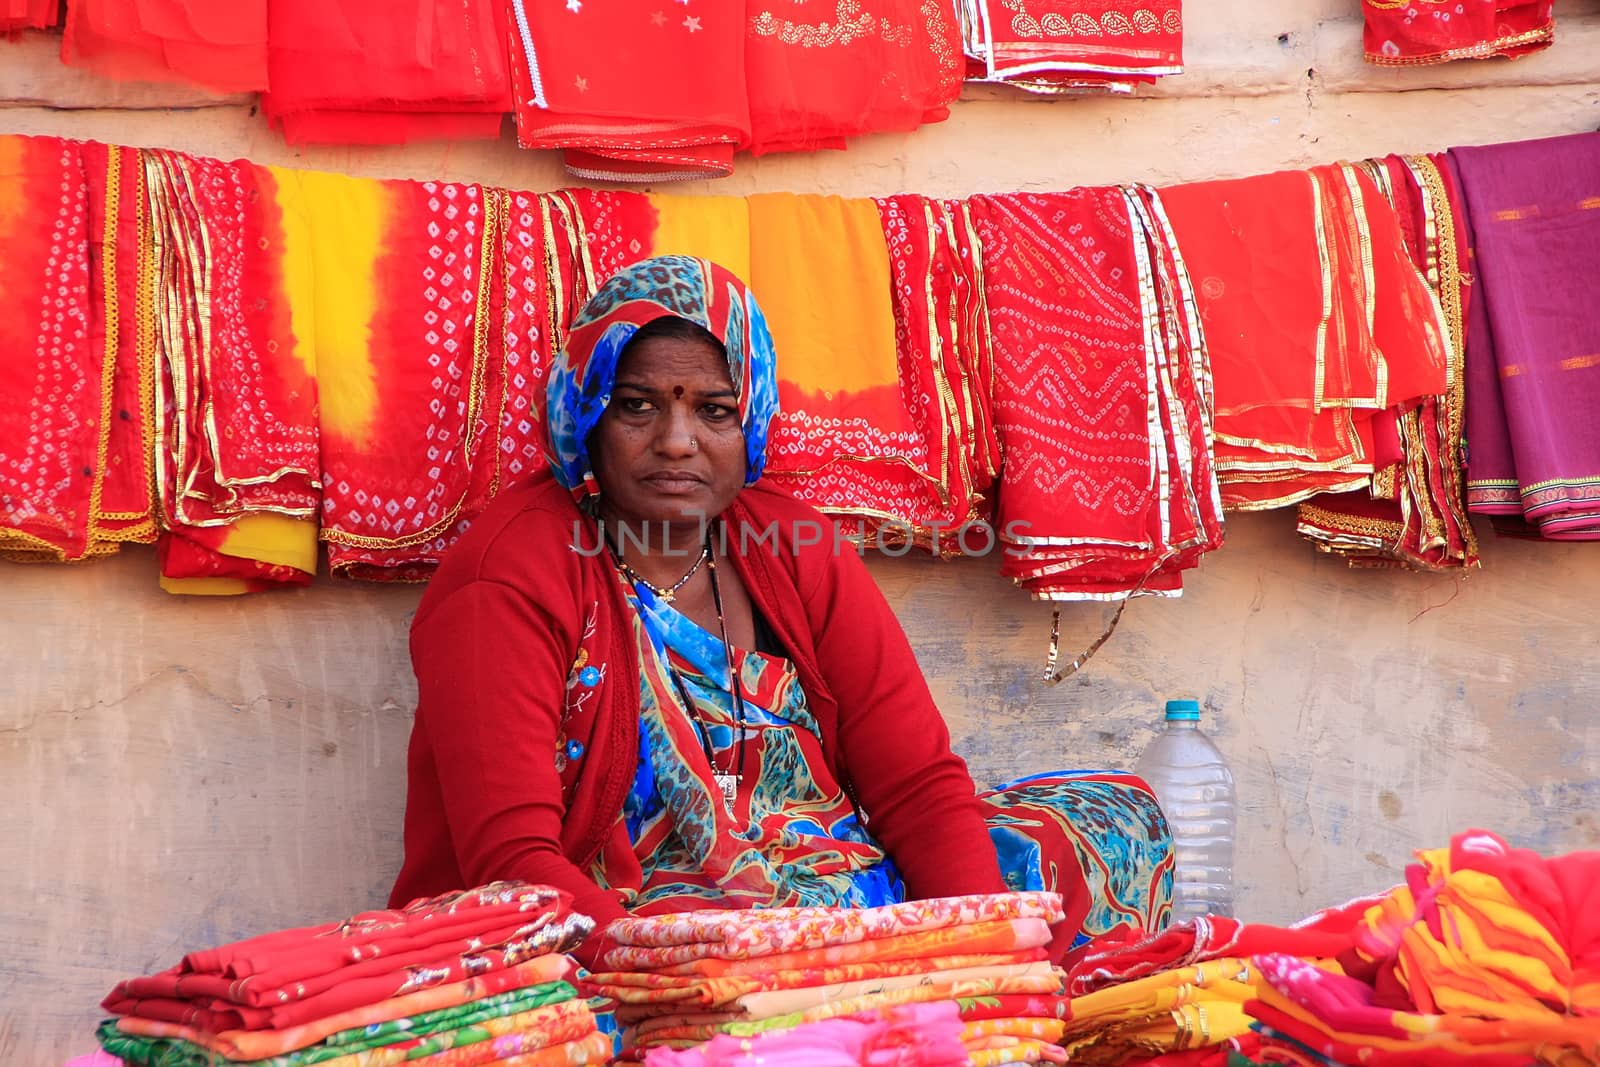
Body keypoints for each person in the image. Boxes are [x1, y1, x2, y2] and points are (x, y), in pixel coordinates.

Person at [389, 255, 1173, 963]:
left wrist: (984, 946)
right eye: (637, 406)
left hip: (830, 886)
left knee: (1108, 817)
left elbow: (914, 782)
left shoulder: (790, 541)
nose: (676, 440)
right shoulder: (509, 577)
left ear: (753, 418)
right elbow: (514, 858)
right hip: (642, 924)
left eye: (714, 410)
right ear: (585, 415)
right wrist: (656, 973)